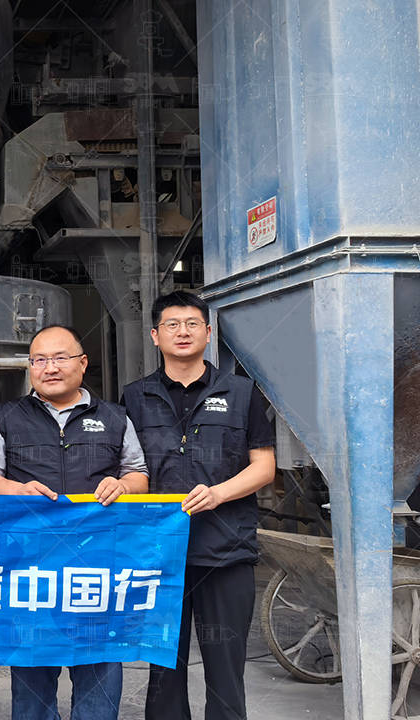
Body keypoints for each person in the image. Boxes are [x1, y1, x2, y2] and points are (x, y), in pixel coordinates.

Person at [0, 324, 148, 720]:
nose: (49, 368)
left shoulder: (115, 418)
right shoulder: (6, 417)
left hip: (97, 567)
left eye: (60, 358)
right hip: (29, 568)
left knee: (99, 671)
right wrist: (16, 489)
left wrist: (122, 485)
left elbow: (138, 474)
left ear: (82, 364)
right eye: (39, 360)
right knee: (32, 680)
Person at [122, 290, 275, 720]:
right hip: (158, 555)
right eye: (171, 324)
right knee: (163, 671)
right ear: (155, 336)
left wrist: (219, 493)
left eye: (192, 324)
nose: (182, 332)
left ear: (208, 333)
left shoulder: (241, 392)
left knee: (226, 670)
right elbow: (127, 468)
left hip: (225, 552)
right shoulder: (134, 397)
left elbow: (264, 467)